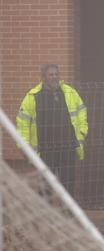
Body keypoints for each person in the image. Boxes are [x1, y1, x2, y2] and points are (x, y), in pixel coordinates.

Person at [17, 64, 88, 198]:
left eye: (56, 74)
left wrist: (82, 132)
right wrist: (23, 145)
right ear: (43, 77)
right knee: (45, 183)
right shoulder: (33, 96)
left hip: (67, 147)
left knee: (68, 183)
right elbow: (23, 122)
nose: (54, 77)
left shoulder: (69, 92)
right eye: (51, 74)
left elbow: (82, 111)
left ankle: (68, 213)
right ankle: (46, 211)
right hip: (45, 148)